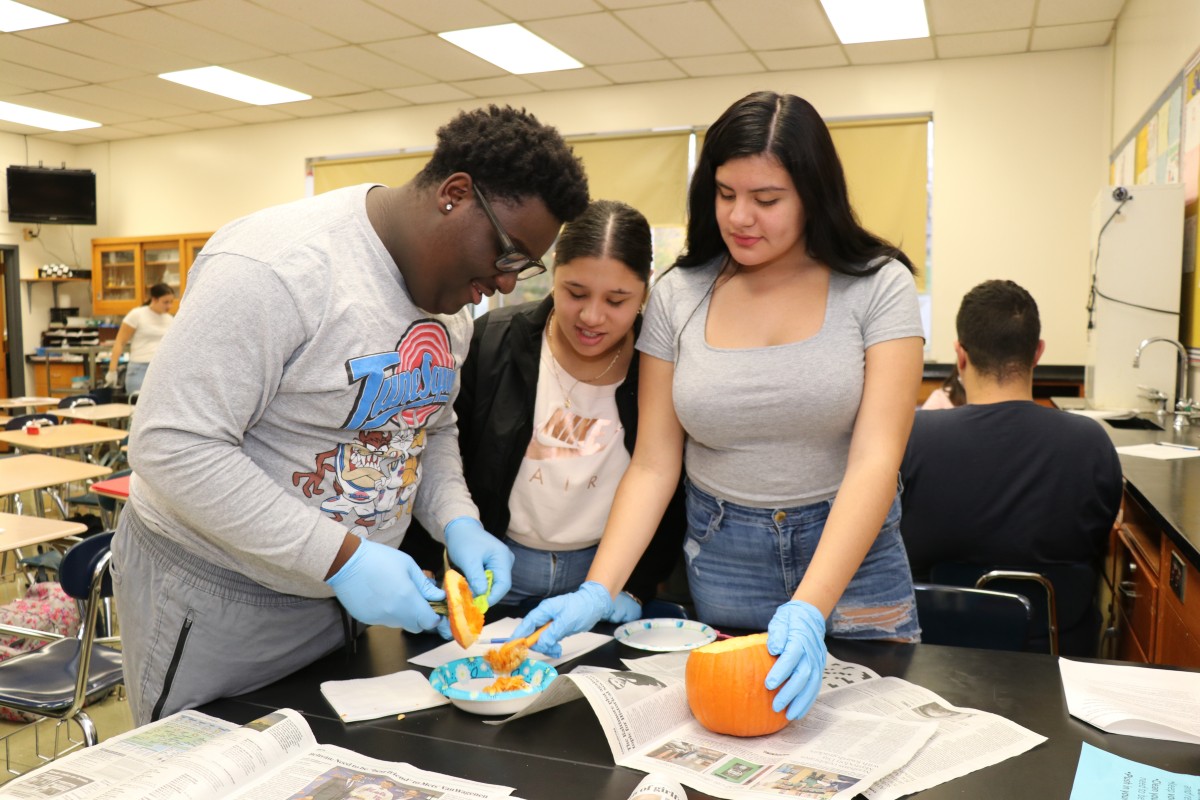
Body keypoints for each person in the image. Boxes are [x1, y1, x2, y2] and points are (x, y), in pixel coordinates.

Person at [112, 104, 589, 725]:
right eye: (508, 255)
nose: (505, 285)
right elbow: (173, 445)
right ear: (455, 195)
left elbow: (427, 422)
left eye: (523, 267)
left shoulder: (451, 299)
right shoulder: (277, 268)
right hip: (219, 596)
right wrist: (344, 557)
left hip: (334, 601)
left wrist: (458, 521)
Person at [511, 91, 924, 723]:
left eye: (767, 199)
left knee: (879, 730)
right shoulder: (680, 294)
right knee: (735, 734)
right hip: (725, 554)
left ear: (814, 193)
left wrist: (812, 607)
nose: (740, 217)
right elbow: (653, 464)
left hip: (853, 554)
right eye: (726, 193)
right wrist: (600, 586)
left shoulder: (878, 284)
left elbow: (876, 458)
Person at [401, 200, 685, 621]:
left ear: (646, 288)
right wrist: (424, 569)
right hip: (499, 571)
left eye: (617, 300)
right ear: (555, 269)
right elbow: (436, 455)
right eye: (576, 292)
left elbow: (667, 484)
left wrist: (638, 588)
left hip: (606, 573)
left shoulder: (658, 366)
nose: (592, 316)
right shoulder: (492, 342)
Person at [899, 280, 1122, 651]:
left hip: (936, 655)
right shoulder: (1090, 442)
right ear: (1037, 353)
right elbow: (1098, 538)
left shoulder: (914, 438)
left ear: (960, 355)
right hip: (1058, 658)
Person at [105, 282, 176, 396]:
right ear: (154, 299)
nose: (169, 306)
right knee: (137, 406)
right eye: (165, 302)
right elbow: (120, 342)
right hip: (139, 368)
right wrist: (112, 370)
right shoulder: (137, 315)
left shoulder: (169, 319)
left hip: (161, 369)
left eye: (171, 302)